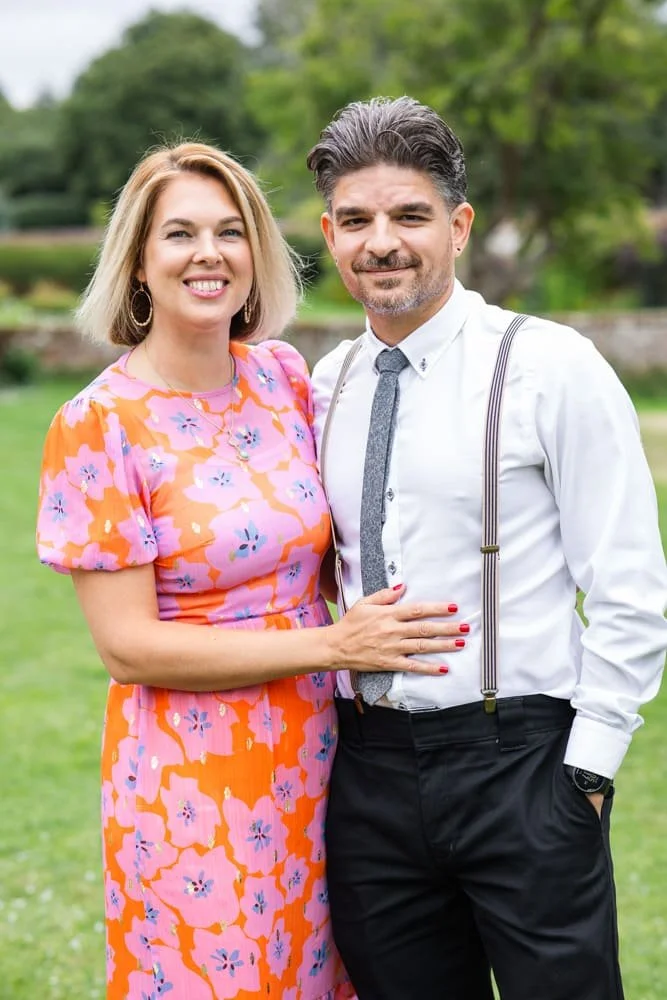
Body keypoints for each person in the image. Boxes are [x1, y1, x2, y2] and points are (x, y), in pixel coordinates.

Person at [35, 141, 466, 1000]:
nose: (209, 254)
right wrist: (333, 647)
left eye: (230, 232)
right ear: (138, 263)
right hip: (191, 784)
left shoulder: (281, 378)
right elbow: (128, 650)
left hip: (322, 764)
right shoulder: (97, 425)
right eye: (180, 234)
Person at [306, 97, 667, 1000]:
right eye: (356, 220)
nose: (380, 242)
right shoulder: (323, 385)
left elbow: (627, 583)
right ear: (328, 232)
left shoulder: (551, 365)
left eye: (409, 216)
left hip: (523, 761)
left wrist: (585, 771)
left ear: (458, 226)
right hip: (370, 771)